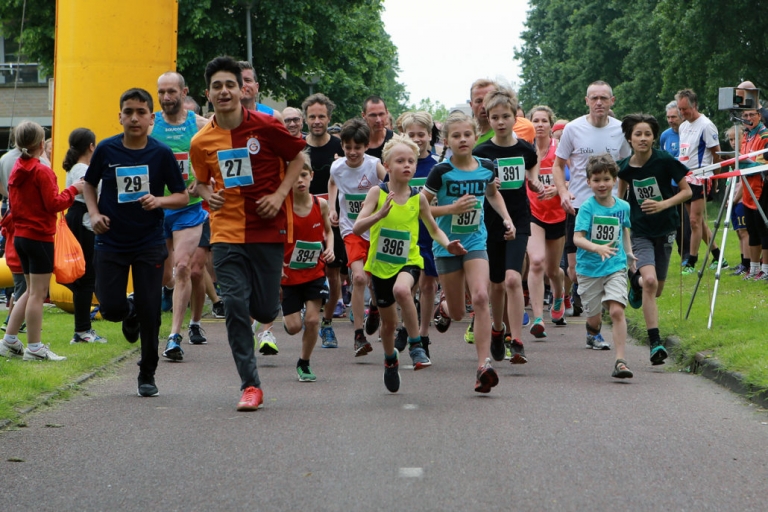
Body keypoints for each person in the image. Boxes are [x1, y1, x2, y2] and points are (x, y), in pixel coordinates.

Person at [191, 56, 306, 411]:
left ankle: (274, 303)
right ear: (208, 94)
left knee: (264, 307)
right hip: (225, 232)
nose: (224, 91)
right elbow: (198, 183)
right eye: (217, 86)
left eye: (230, 85)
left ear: (242, 90)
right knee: (236, 306)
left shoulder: (267, 125)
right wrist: (206, 193)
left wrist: (279, 194)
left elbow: (299, 159)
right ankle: (250, 385)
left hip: (267, 230)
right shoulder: (201, 141)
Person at [84, 88, 188, 396]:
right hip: (111, 240)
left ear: (151, 118)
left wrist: (159, 201)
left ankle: (147, 372)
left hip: (149, 241)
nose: (134, 118)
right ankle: (126, 312)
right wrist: (94, 212)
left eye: (141, 112)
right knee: (111, 307)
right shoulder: (106, 150)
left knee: (150, 310)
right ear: (119, 116)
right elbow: (88, 184)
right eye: (128, 112)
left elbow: (182, 196)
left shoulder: (160, 153)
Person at [354, 134, 466, 392]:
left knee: (402, 290)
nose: (407, 165)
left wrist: (447, 242)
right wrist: (379, 215)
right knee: (389, 326)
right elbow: (358, 227)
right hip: (381, 266)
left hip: (409, 260)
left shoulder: (419, 198)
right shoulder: (376, 192)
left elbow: (434, 229)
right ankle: (390, 360)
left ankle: (416, 345)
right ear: (388, 165)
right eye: (400, 161)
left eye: (411, 161)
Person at [424, 111, 515, 393]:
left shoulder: (487, 166)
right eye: (456, 135)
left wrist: (506, 218)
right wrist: (451, 209)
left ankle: (483, 364)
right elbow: (421, 207)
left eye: (467, 134)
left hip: (476, 242)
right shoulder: (441, 171)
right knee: (460, 313)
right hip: (446, 245)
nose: (462, 140)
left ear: (476, 136)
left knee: (480, 296)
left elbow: (492, 193)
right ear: (447, 141)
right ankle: (445, 307)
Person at [0, 121, 83, 362]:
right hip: (39, 237)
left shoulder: (18, 167)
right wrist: (74, 190)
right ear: (40, 144)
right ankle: (35, 347)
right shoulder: (42, 170)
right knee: (38, 293)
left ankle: (10, 340)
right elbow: (54, 204)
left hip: (22, 236)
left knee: (28, 290)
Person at [552, 81, 631, 333]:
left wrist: (621, 198)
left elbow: (626, 166)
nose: (599, 102)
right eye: (594, 98)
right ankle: (580, 291)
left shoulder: (620, 130)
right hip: (579, 208)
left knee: (609, 259)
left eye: (604, 98)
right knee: (574, 270)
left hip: (609, 210)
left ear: (612, 101)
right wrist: (563, 192)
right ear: (586, 101)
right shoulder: (573, 129)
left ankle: (601, 307)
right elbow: (558, 164)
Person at [473, 88, 543, 364]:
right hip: (490, 222)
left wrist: (534, 181)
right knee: (497, 284)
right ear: (488, 120)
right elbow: (475, 184)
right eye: (494, 117)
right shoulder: (482, 151)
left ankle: (517, 340)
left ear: (515, 118)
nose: (500, 122)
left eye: (505, 116)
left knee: (514, 278)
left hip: (519, 218)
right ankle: (497, 330)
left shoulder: (524, 149)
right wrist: (487, 185)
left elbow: (533, 166)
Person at [617, 114, 692, 365]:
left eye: (647, 134)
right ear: (629, 137)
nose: (643, 138)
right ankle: (655, 342)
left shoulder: (664, 160)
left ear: (653, 137)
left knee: (656, 289)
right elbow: (619, 201)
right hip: (640, 231)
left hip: (666, 228)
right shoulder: (625, 168)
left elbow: (687, 191)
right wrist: (619, 227)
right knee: (649, 281)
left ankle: (634, 282)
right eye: (638, 134)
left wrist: (663, 204)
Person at [152, 71, 212, 359]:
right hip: (157, 207)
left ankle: (175, 335)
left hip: (189, 208)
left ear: (183, 92)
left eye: (172, 92)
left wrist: (204, 179)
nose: (166, 98)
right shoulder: (150, 124)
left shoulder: (200, 125)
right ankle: (167, 296)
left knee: (185, 268)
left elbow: (218, 155)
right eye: (162, 92)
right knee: (165, 275)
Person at [328, 118, 387, 356]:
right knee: (359, 278)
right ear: (342, 145)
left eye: (358, 148)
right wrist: (333, 207)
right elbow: (332, 182)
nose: (352, 152)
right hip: (351, 229)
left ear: (366, 147)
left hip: (376, 229)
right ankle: (358, 335)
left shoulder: (374, 166)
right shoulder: (337, 167)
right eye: (348, 147)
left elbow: (392, 186)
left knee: (375, 280)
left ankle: (375, 308)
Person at [573, 154, 635, 379]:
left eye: (606, 179)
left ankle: (621, 361)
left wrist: (628, 254)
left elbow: (625, 229)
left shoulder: (623, 206)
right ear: (588, 182)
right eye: (597, 180)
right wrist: (596, 248)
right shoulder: (587, 209)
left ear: (615, 180)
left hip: (615, 265)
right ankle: (592, 331)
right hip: (589, 270)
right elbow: (577, 238)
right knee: (594, 318)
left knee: (617, 310)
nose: (602, 184)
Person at [280, 155, 334, 382]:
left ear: (312, 176)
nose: (300, 180)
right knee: (294, 327)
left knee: (312, 320)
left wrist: (329, 247)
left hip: (314, 272)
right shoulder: (282, 207)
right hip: (289, 276)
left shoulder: (320, 204)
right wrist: (275, 266)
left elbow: (329, 231)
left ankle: (304, 362)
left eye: (304, 175)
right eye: (296, 177)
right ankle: (290, 320)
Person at [301, 93, 345, 349]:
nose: (317, 121)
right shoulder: (297, 146)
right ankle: (299, 314)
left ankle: (327, 322)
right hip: (303, 215)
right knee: (299, 267)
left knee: (333, 270)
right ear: (306, 118)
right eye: (312, 117)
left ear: (329, 118)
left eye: (321, 116)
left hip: (333, 217)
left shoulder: (339, 147)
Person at [399, 111, 440, 355]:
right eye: (410, 134)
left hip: (429, 230)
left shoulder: (436, 165)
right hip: (406, 232)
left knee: (428, 285)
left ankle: (423, 334)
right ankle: (407, 326)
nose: (416, 139)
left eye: (421, 134)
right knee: (407, 285)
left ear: (429, 135)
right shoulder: (400, 163)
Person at [525, 105, 567, 340]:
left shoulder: (560, 150)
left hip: (557, 214)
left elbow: (578, 182)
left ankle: (559, 294)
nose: (539, 125)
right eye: (536, 121)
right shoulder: (525, 150)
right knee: (537, 262)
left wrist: (558, 189)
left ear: (551, 125)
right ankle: (538, 318)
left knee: (553, 270)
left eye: (544, 121)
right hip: (533, 213)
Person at [62, 127, 106, 344]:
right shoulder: (81, 168)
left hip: (79, 219)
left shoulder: (77, 167)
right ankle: (82, 330)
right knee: (86, 276)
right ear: (91, 146)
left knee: (85, 276)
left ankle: (83, 329)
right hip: (82, 221)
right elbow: (90, 190)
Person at [675, 88, 725, 275]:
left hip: (702, 177)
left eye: (685, 109)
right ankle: (718, 255)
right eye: (680, 109)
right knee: (697, 222)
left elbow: (717, 154)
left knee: (695, 221)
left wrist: (715, 178)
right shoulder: (682, 126)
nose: (682, 113)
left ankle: (692, 260)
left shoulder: (706, 125)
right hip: (686, 178)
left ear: (694, 105)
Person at [734, 107, 768, 280]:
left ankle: (766, 268)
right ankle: (754, 268)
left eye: (751, 115)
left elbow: (760, 165)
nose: (748, 118)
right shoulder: (746, 136)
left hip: (762, 187)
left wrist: (744, 165)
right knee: (751, 229)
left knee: (763, 229)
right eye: (745, 115)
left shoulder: (764, 136)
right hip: (747, 188)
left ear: (759, 116)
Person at [469, 79, 535, 145]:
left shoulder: (508, 134)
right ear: (471, 105)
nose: (483, 106)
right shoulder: (465, 136)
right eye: (479, 101)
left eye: (488, 100)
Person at [724, 126, 750, 276]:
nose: (733, 142)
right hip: (732, 200)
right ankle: (742, 261)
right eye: (731, 140)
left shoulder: (744, 158)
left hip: (740, 201)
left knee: (744, 231)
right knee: (738, 232)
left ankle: (747, 263)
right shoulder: (732, 158)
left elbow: (744, 184)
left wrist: (735, 199)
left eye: (736, 139)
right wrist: (728, 198)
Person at [361, 95, 394, 161]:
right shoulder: (356, 141)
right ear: (364, 116)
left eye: (381, 114)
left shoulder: (395, 141)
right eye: (373, 115)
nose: (378, 120)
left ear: (387, 113)